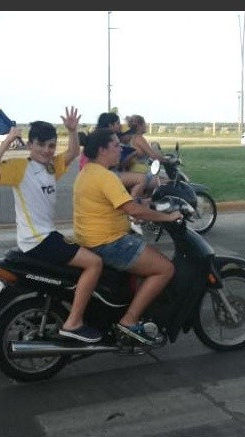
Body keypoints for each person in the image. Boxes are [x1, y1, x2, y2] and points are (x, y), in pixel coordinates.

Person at [0, 107, 104, 343]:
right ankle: (74, 322)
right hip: (38, 240)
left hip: (47, 236)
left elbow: (73, 152)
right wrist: (8, 140)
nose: (47, 150)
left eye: (51, 146)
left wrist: (72, 130)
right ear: (30, 144)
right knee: (94, 263)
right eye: (41, 145)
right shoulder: (20, 167)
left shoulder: (50, 166)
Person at [73, 128, 183, 345]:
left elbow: (124, 205)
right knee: (165, 268)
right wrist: (168, 217)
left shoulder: (87, 173)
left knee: (145, 260)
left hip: (90, 240)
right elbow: (133, 210)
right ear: (103, 150)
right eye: (116, 146)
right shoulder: (106, 177)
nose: (120, 150)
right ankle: (129, 320)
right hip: (109, 243)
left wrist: (146, 207)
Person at [80, 112, 150, 199]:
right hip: (105, 174)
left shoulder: (97, 138)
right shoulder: (105, 140)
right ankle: (132, 202)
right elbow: (119, 164)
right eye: (117, 123)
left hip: (92, 173)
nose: (120, 126)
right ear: (110, 125)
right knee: (142, 179)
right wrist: (134, 153)